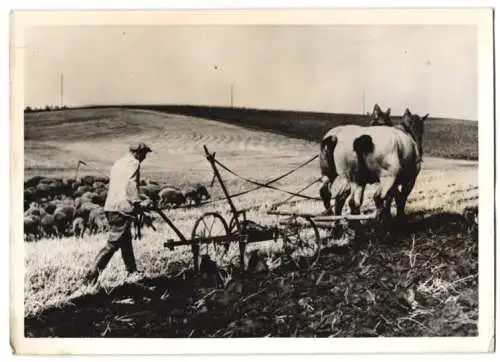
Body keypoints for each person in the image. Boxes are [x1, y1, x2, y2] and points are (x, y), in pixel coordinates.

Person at [84, 142, 153, 286]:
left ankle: (132, 271)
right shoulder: (134, 163)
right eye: (145, 154)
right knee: (113, 244)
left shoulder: (118, 163)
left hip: (111, 206)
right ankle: (90, 278)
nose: (145, 158)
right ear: (138, 153)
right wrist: (137, 202)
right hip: (121, 209)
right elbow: (131, 184)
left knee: (125, 240)